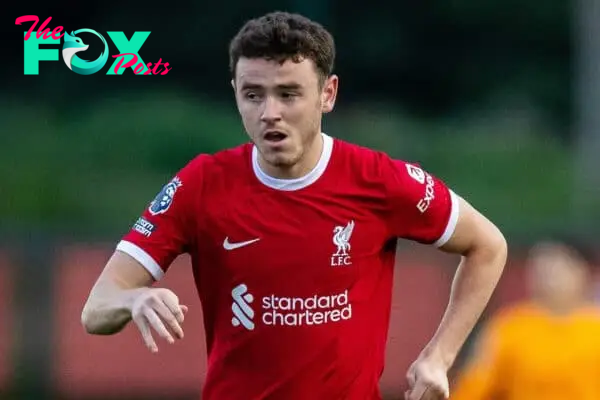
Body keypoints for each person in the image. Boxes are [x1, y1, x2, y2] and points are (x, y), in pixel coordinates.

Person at [80, 11, 507, 400]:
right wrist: (133, 300)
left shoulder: (378, 180)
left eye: (288, 94)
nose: (270, 113)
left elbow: (488, 245)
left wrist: (439, 357)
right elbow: (97, 308)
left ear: (328, 93)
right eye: (253, 95)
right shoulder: (202, 184)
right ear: (235, 93)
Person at [451, 239, 600, 400]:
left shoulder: (594, 327)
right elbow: (474, 385)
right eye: (541, 269)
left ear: (581, 271)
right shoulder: (508, 327)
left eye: (557, 268)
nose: (548, 277)